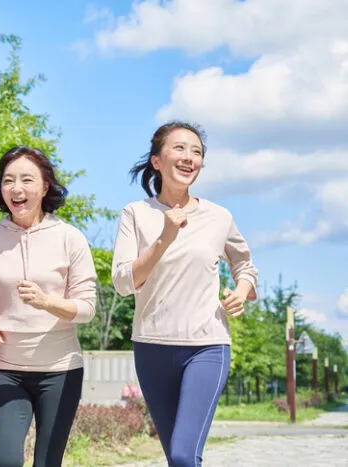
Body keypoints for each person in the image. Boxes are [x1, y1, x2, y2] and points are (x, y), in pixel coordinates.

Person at [112, 121, 259, 466]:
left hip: (206, 345)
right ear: (156, 161)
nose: (189, 157)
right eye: (179, 148)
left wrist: (241, 290)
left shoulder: (218, 216)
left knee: (182, 455)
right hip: (151, 347)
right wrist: (164, 237)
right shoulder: (136, 214)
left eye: (197, 152)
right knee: (177, 457)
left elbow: (246, 265)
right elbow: (122, 282)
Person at [0, 146, 97, 467]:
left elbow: (87, 308)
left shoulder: (70, 238)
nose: (17, 188)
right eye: (8, 180)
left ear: (44, 187)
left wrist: (46, 301)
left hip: (61, 371)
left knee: (47, 462)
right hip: (7, 370)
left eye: (27, 180)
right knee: (5, 461)